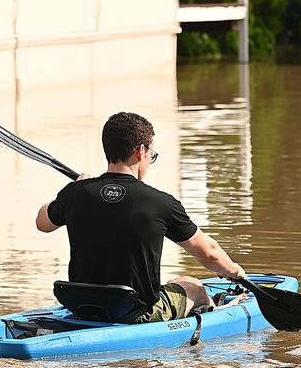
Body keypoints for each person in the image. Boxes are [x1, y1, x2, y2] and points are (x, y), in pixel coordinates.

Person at [35, 111, 247, 323]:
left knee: (172, 282)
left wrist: (77, 187)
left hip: (82, 307)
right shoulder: (160, 202)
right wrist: (233, 270)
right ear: (140, 151)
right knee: (193, 286)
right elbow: (208, 253)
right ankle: (213, 314)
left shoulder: (75, 194)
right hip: (136, 313)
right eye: (150, 155)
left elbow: (42, 223)